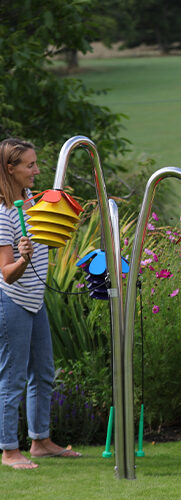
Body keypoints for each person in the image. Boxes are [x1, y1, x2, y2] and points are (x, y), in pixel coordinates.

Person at [0, 138, 81, 470]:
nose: (37, 170)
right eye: (29, 165)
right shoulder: (4, 213)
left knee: (43, 373)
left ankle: (41, 441)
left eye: (36, 163)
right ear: (10, 169)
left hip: (35, 301)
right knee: (13, 377)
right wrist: (23, 258)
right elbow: (7, 273)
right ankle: (8, 450)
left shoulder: (30, 200)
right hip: (12, 302)